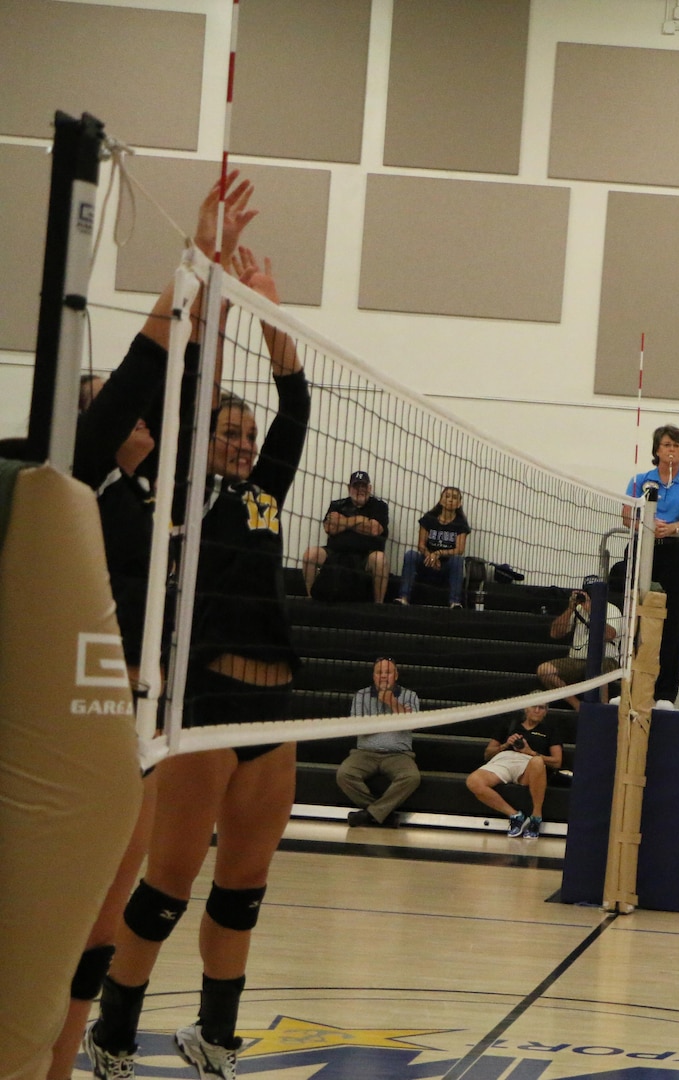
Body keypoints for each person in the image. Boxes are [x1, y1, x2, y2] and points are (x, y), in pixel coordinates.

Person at [86, 247, 310, 1078]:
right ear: (203, 438)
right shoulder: (182, 490)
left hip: (275, 710)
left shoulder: (267, 494)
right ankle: (110, 1037)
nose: (245, 444)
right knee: (165, 891)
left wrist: (272, 317)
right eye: (230, 432)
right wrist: (212, 308)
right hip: (205, 704)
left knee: (242, 892)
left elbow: (298, 406)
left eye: (248, 435)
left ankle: (216, 1038)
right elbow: (180, 391)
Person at [51, 174, 254, 1080]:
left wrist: (214, 296)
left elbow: (179, 378)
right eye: (111, 406)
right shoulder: (80, 474)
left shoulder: (161, 487)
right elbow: (148, 364)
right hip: (67, 709)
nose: (132, 413)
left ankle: (81, 1046)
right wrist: (194, 266)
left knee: (102, 914)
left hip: (135, 713)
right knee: (59, 907)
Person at [624, 424, 679, 708]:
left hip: (673, 551)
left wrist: (671, 528)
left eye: (676, 446)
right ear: (657, 450)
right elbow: (626, 516)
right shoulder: (640, 480)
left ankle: (665, 694)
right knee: (633, 615)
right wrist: (646, 525)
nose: (671, 450)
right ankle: (628, 684)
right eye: (667, 445)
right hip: (642, 546)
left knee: (672, 622)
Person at [335, 659, 421, 828]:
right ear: (373, 676)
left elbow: (412, 723)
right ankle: (383, 814)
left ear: (396, 675)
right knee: (344, 774)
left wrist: (392, 702)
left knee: (412, 777)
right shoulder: (361, 695)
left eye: (387, 673)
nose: (383, 677)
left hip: (399, 754)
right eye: (379, 673)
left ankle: (368, 815)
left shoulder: (410, 696)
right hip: (365, 753)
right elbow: (358, 727)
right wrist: (393, 720)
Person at [466, 704, 563, 839]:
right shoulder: (509, 724)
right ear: (526, 708)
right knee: (473, 781)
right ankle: (515, 816)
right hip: (504, 759)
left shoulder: (550, 730)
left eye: (541, 708)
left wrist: (530, 752)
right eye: (534, 706)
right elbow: (487, 754)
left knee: (537, 762)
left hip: (529, 763)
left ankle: (536, 817)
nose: (536, 710)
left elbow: (557, 761)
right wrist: (505, 745)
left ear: (546, 712)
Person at [302, 470, 388, 603]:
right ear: (349, 488)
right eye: (356, 486)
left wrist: (343, 521)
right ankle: (310, 600)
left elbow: (375, 529)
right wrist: (361, 521)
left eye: (363, 486)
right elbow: (329, 527)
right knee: (310, 554)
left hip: (365, 556)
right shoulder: (337, 505)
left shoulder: (379, 506)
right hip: (335, 553)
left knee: (380, 559)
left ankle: (379, 606)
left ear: (369, 488)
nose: (360, 490)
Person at [537, 587, 620, 708]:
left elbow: (609, 635)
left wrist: (592, 611)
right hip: (576, 660)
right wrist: (570, 608)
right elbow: (555, 633)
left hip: (605, 659)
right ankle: (577, 705)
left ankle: (603, 709)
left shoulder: (611, 609)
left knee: (600, 669)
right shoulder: (577, 609)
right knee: (544, 670)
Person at [396, 486, 469, 607]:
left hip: (446, 566)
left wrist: (438, 553)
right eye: (447, 496)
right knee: (410, 555)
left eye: (454, 498)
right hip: (427, 562)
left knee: (458, 560)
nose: (450, 500)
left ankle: (455, 602)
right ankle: (403, 597)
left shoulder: (461, 523)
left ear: (459, 504)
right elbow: (421, 545)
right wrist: (430, 557)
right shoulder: (429, 518)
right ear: (441, 500)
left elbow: (459, 550)